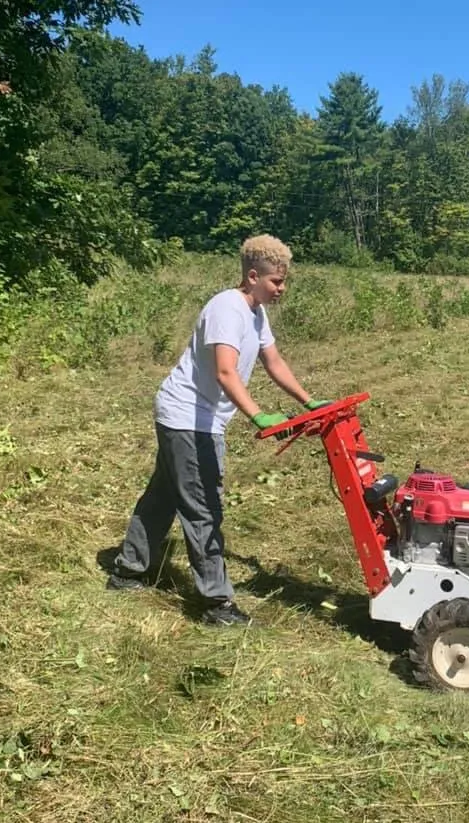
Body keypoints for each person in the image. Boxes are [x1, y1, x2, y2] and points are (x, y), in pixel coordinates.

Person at [106, 234, 328, 625]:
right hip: (189, 418)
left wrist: (308, 401)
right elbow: (226, 371)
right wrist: (258, 415)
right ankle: (215, 603)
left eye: (284, 281)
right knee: (203, 507)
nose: (282, 288)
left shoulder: (256, 312)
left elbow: (274, 362)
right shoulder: (227, 308)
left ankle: (128, 570)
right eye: (276, 281)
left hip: (191, 416)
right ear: (253, 276)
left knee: (163, 497)